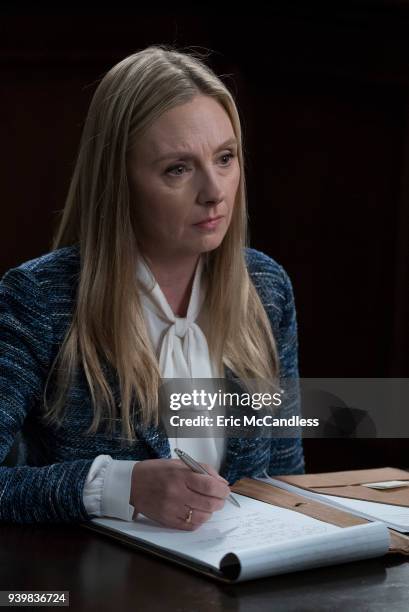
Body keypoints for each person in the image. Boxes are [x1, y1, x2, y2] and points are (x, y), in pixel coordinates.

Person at [0, 45, 304, 529]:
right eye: (177, 169)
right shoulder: (41, 299)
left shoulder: (265, 288)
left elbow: (286, 481)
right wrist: (116, 486)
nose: (215, 191)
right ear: (118, 181)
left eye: (225, 158)